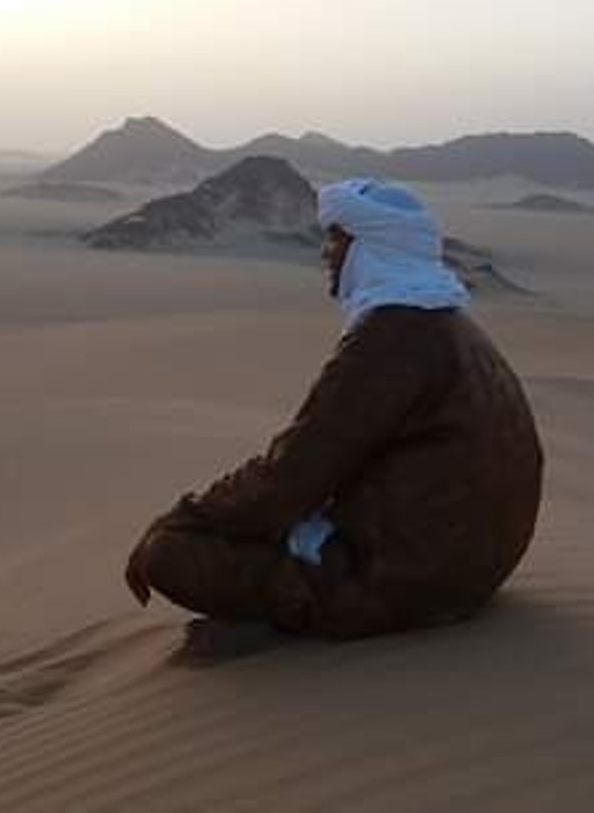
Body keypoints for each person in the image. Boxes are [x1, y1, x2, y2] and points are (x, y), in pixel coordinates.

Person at [123, 178, 544, 643]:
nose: (327, 255)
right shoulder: (450, 324)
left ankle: (288, 626)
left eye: (339, 241)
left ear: (370, 250)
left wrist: (185, 517)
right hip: (470, 569)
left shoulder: (392, 340)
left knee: (169, 554)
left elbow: (289, 479)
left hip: (410, 583)